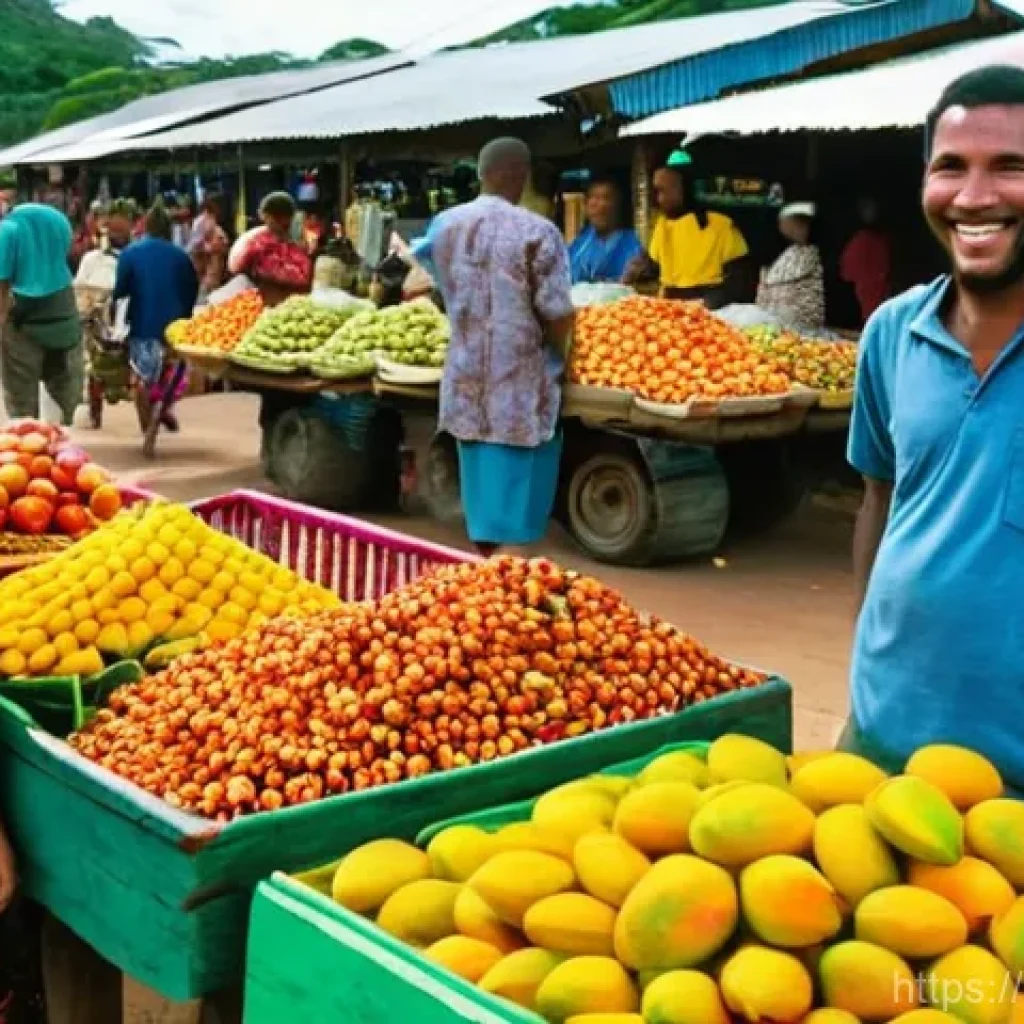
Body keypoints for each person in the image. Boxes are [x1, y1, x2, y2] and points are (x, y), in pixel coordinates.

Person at [846, 64, 1024, 787]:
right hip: (881, 748)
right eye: (952, 167)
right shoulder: (891, 332)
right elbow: (879, 502)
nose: (975, 197)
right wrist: (861, 687)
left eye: (1010, 167)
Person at [425, 137, 574, 557]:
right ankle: (511, 579)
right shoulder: (538, 231)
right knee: (518, 506)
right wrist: (567, 357)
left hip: (466, 380)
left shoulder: (445, 225)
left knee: (482, 495)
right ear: (521, 175)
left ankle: (487, 561)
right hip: (520, 388)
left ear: (480, 173)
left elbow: (422, 282)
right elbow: (557, 310)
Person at [114, 201, 199, 434]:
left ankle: (147, 421)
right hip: (176, 327)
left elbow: (120, 290)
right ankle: (161, 410)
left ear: (146, 227)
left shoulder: (130, 253)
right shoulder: (181, 256)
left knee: (143, 375)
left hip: (143, 323)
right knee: (172, 375)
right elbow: (192, 289)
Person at [0, 202, 82, 425]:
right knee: (63, 383)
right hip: (63, 307)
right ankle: (62, 434)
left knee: (20, 390)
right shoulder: (56, 219)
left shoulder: (6, 231)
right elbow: (68, 251)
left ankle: (27, 439)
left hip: (24, 317)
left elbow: (2, 284)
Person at [627, 163, 749, 309]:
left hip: (712, 308)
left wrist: (707, 304)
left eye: (662, 190)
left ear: (682, 189)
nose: (657, 199)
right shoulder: (662, 226)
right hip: (670, 309)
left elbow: (740, 281)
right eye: (655, 192)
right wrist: (636, 272)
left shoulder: (721, 226)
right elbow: (651, 268)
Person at [229, 191, 312, 306]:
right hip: (275, 302)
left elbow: (235, 266)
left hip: (277, 302)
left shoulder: (260, 240)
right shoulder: (260, 241)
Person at [756, 201, 826, 331]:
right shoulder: (778, 250)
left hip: (800, 328)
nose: (799, 229)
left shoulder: (809, 252)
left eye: (802, 225)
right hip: (773, 324)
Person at [568, 177, 644, 285]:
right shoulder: (580, 244)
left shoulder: (633, 243)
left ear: (618, 207)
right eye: (593, 198)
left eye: (606, 198)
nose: (599, 205)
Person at [840, 196, 892, 325]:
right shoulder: (860, 239)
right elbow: (848, 272)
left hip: (881, 290)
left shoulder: (882, 239)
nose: (870, 213)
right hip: (866, 292)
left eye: (872, 209)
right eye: (866, 209)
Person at [188, 193, 229, 300]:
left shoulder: (212, 219)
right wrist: (210, 247)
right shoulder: (200, 221)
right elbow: (195, 245)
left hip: (214, 261)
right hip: (205, 263)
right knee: (207, 287)